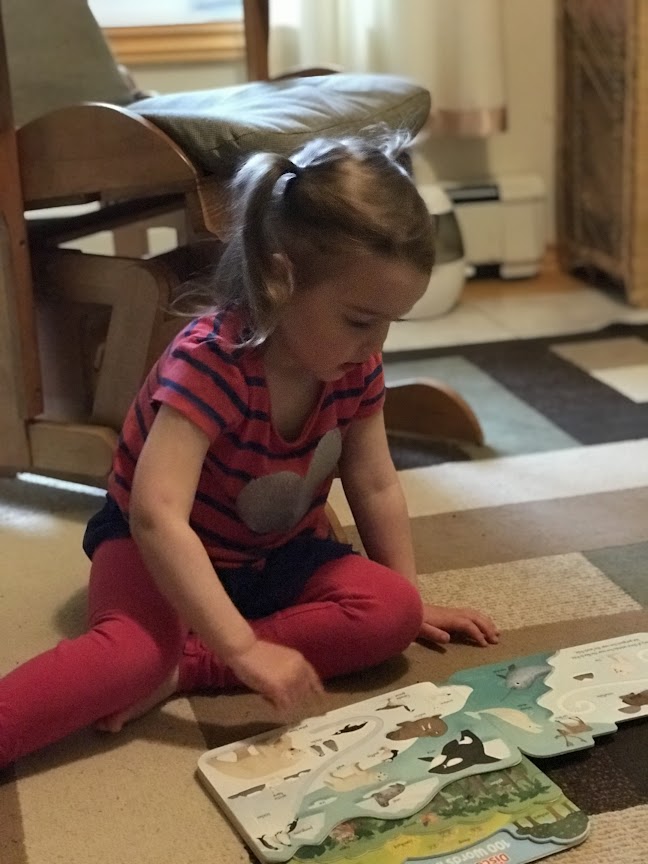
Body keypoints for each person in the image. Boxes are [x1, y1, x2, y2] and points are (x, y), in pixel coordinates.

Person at [0, 132, 498, 769]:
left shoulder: (355, 367)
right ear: (281, 278)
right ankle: (173, 658)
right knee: (129, 656)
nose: (374, 345)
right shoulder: (211, 362)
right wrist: (241, 648)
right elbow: (155, 516)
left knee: (391, 612)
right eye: (359, 320)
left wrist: (410, 596)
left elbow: (374, 482)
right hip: (158, 554)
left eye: (388, 323)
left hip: (273, 555)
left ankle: (185, 665)